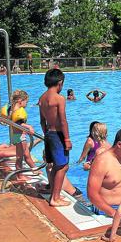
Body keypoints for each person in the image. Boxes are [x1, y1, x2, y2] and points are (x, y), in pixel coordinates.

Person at [87, 127, 121, 223]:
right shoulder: (102, 161)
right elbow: (92, 194)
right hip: (106, 210)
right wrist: (113, 213)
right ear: (119, 144)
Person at [38, 68, 72, 207]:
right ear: (60, 83)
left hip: (48, 134)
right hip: (58, 135)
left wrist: (47, 133)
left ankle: (52, 191)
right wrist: (67, 139)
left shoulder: (42, 98)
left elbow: (42, 121)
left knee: (53, 165)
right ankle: (55, 198)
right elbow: (63, 121)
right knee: (63, 166)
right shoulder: (59, 98)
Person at [0, 90, 40, 181]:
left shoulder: (11, 109)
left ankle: (35, 170)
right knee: (20, 157)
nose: (26, 104)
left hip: (16, 136)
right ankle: (20, 175)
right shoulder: (18, 111)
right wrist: (29, 126)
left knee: (26, 155)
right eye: (26, 101)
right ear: (20, 101)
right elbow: (19, 124)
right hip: (20, 137)